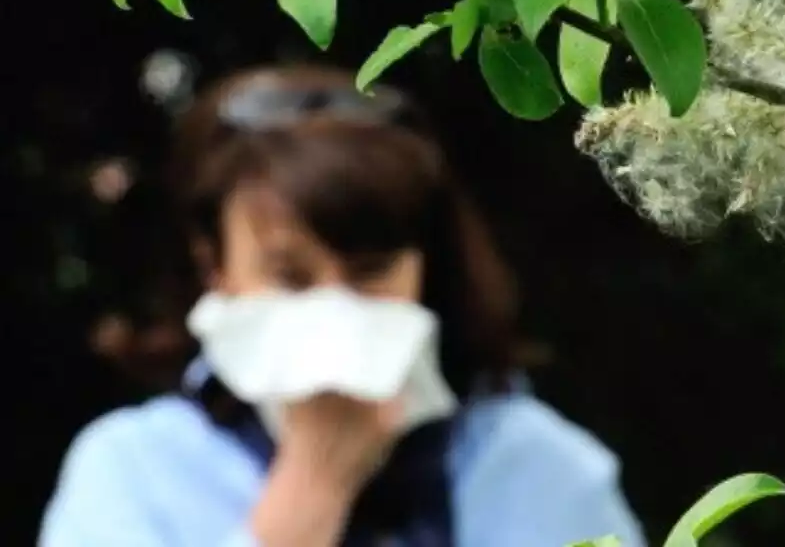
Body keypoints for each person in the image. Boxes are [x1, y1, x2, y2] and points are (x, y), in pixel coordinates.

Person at [39, 65, 645, 547]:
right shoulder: (132, 473)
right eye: (290, 277)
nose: (334, 308)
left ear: (423, 266)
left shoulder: (540, 468)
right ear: (215, 266)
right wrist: (310, 493)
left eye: (369, 271)